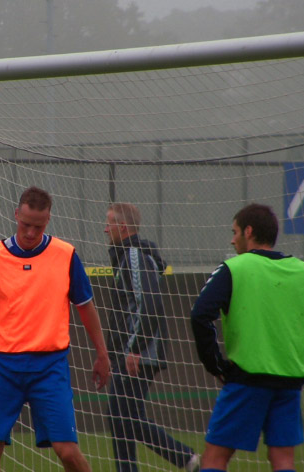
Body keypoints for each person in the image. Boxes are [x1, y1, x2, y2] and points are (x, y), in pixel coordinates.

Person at [0, 186, 110, 472]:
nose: (29, 232)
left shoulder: (65, 255)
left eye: (37, 226)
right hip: (4, 366)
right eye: (25, 224)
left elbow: (86, 307)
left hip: (50, 367)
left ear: (48, 221)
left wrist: (102, 353)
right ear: (16, 214)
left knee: (67, 452)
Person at [191, 203, 304, 472]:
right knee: (282, 461)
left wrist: (217, 365)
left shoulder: (235, 268)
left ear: (249, 231)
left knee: (214, 459)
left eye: (234, 232)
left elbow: (200, 314)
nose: (232, 239)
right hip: (289, 383)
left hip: (248, 378)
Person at [104, 202, 200, 472]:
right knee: (120, 417)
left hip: (139, 353)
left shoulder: (134, 255)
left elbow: (151, 303)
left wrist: (134, 348)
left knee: (126, 417)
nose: (105, 229)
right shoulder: (126, 255)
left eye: (109, 223)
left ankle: (186, 459)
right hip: (128, 352)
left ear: (122, 227)